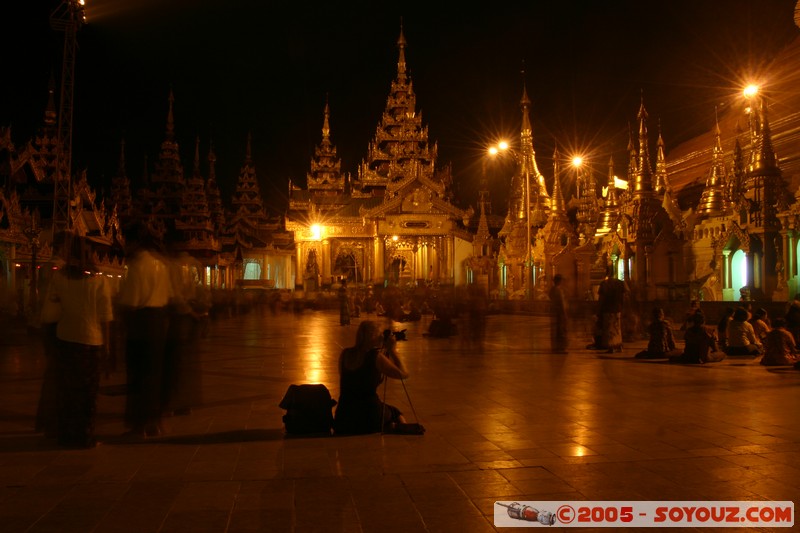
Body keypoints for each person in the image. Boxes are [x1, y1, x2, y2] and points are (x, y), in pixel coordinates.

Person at [45, 234, 113, 448]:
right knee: (87, 392)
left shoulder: (59, 278)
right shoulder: (98, 280)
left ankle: (67, 435)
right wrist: (108, 346)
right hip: (91, 341)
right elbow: (106, 317)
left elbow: (50, 312)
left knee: (67, 391)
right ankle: (84, 437)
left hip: (65, 338)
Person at [117, 223, 173, 438]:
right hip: (159, 321)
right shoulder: (161, 265)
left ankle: (139, 425)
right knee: (155, 375)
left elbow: (131, 300)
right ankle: (154, 423)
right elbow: (167, 296)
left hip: (141, 322)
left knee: (139, 376)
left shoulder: (138, 265)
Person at [333, 320, 408, 435]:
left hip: (344, 416)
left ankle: (389, 427)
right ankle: (402, 429)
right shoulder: (375, 357)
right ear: (374, 336)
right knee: (395, 412)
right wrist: (392, 351)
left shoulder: (345, 354)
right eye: (381, 334)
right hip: (369, 414)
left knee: (385, 411)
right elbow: (403, 374)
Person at [597, 266, 627, 353]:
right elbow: (625, 296)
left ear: (607, 273)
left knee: (609, 328)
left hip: (607, 309)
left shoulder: (604, 284)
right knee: (617, 328)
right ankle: (619, 345)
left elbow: (601, 299)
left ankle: (611, 347)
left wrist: (598, 310)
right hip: (617, 309)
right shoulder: (621, 283)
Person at [548, 274, 568, 353]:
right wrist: (565, 314)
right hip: (560, 313)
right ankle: (560, 348)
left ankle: (555, 347)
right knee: (560, 330)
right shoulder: (558, 290)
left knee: (555, 330)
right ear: (559, 281)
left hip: (554, 312)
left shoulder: (552, 290)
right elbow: (562, 303)